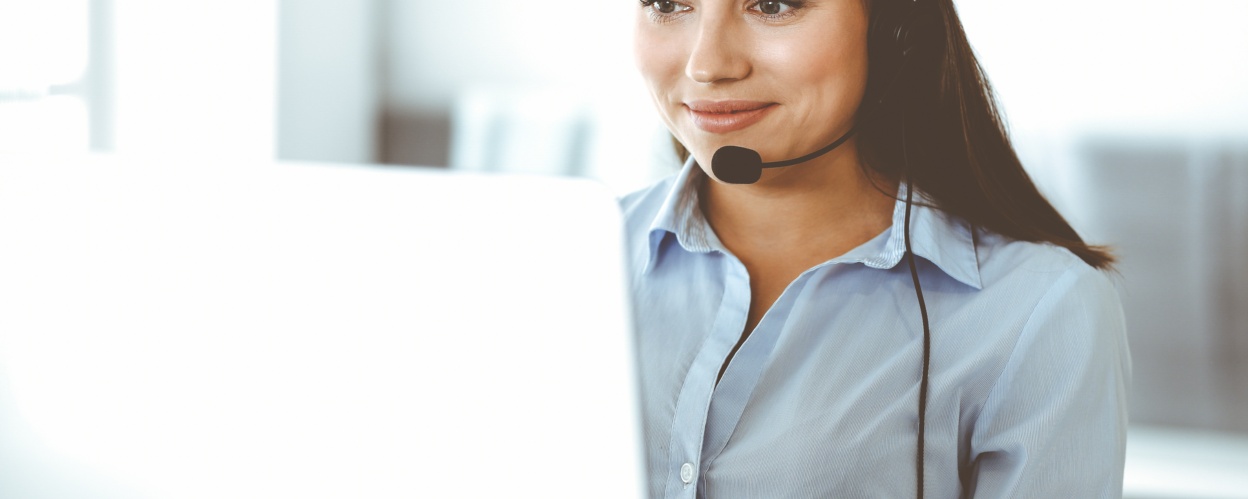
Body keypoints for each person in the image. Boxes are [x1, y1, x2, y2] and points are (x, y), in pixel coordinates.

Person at [619, 0, 1132, 497]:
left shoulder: (1038, 309)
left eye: (774, 5)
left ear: (895, 31)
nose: (707, 65)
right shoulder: (561, 258)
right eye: (666, 3)